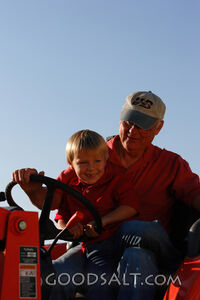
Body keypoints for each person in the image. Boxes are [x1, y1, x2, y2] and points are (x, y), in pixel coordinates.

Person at [13, 129, 141, 300]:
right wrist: (66, 228)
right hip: (79, 246)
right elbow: (56, 211)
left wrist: (101, 222)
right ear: (70, 162)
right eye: (83, 162)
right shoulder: (67, 178)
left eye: (97, 161)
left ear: (106, 160)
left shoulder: (116, 178)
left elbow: (130, 207)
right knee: (57, 271)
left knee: (99, 282)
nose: (91, 168)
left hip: (107, 244)